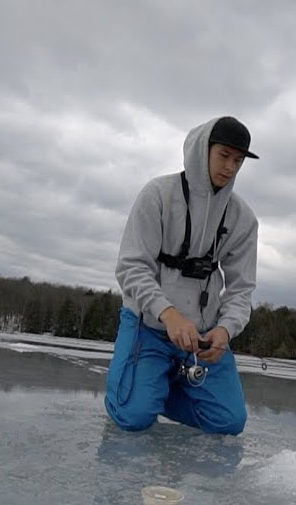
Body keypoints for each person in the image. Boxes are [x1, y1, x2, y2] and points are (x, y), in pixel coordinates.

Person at [103, 116, 260, 435]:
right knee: (132, 417)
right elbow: (131, 266)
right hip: (147, 325)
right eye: (224, 156)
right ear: (204, 150)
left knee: (229, 422)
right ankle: (142, 391)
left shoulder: (243, 218)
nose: (230, 167)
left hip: (202, 338)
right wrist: (169, 314)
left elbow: (241, 290)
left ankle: (153, 388)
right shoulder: (158, 195)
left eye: (238, 160)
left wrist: (225, 331)